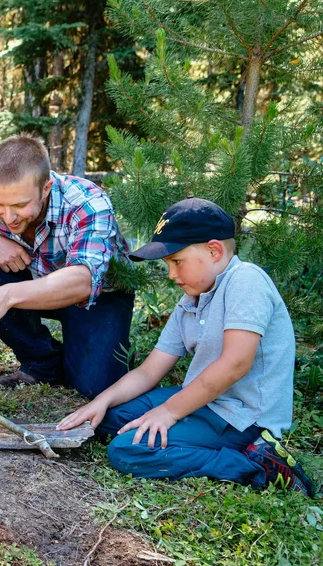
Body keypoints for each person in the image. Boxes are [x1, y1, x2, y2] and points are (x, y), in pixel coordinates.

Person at [57, 198, 316, 497]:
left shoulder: (246, 281)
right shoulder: (191, 301)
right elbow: (149, 371)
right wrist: (101, 401)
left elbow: (235, 364)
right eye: (168, 264)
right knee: (108, 419)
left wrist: (169, 412)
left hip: (242, 417)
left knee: (127, 450)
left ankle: (257, 465)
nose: (171, 274)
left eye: (177, 262)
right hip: (204, 401)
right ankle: (185, 429)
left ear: (214, 250)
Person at [0, 135, 134, 399]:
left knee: (93, 387)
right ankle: (42, 363)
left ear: (45, 188)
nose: (9, 217)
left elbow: (83, 281)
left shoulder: (86, 202)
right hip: (33, 285)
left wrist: (5, 296)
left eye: (20, 205)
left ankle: (103, 346)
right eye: (0, 205)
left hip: (97, 297)